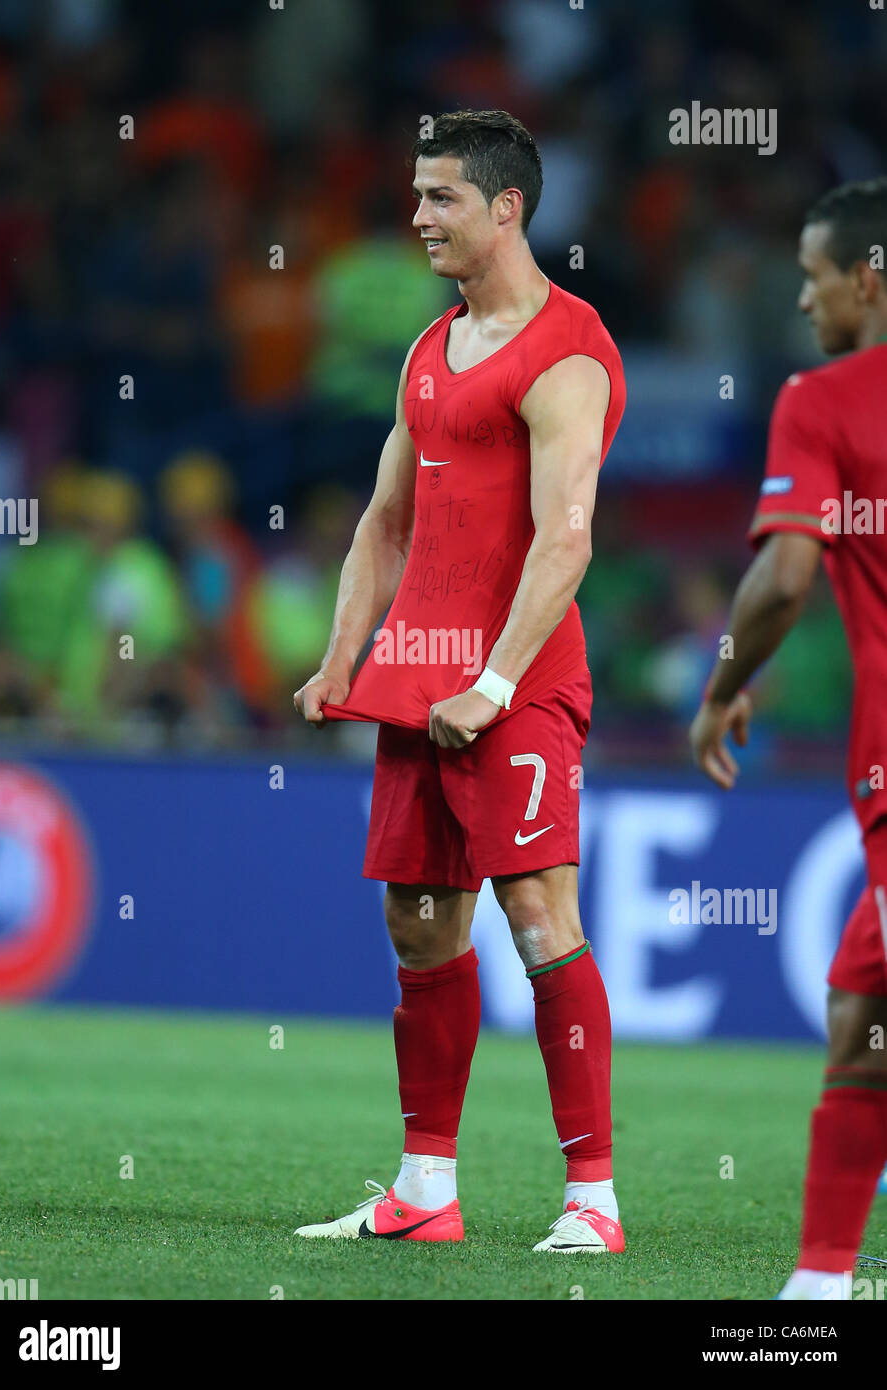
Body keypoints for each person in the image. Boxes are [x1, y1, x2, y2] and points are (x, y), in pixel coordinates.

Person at [293, 110, 626, 1250]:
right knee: (422, 927)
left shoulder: (568, 352)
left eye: (440, 197)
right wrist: (344, 655)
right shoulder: (430, 352)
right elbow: (383, 522)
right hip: (415, 685)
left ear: (507, 208)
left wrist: (491, 680)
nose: (419, 215)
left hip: (517, 684)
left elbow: (566, 539)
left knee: (539, 915)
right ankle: (425, 1189)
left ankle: (594, 1199)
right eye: (418, 193)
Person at [690, 178, 887, 1300]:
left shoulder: (823, 401)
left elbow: (784, 577)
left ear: (867, 277)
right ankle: (818, 1289)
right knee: (863, 1008)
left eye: (815, 280)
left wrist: (721, 689)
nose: (804, 304)